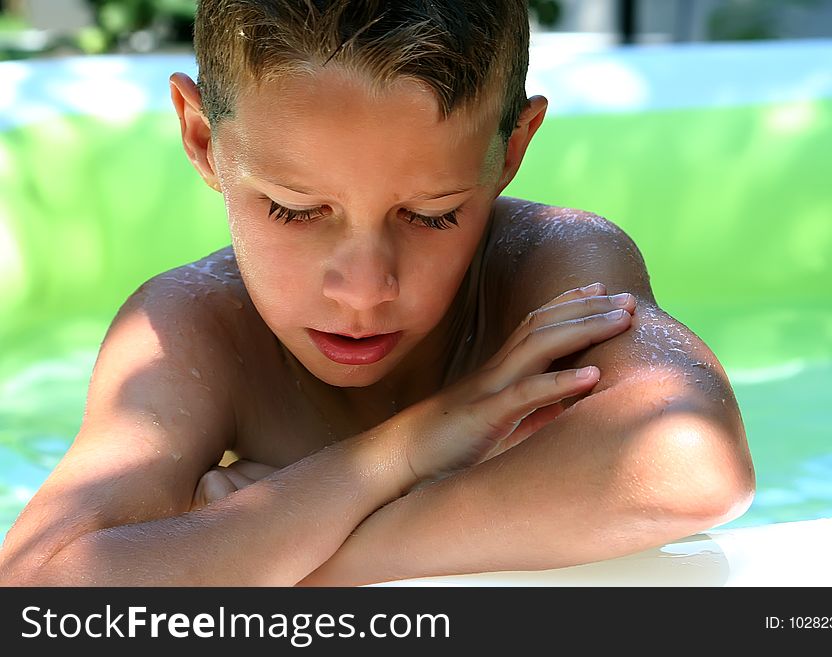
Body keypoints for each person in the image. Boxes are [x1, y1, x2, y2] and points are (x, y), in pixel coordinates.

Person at [0, 0, 754, 586]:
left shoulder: (545, 265)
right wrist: (409, 448)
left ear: (511, 150)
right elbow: (37, 587)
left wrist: (298, 553)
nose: (363, 290)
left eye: (432, 215)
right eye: (295, 210)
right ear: (202, 139)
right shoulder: (195, 326)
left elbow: (692, 462)